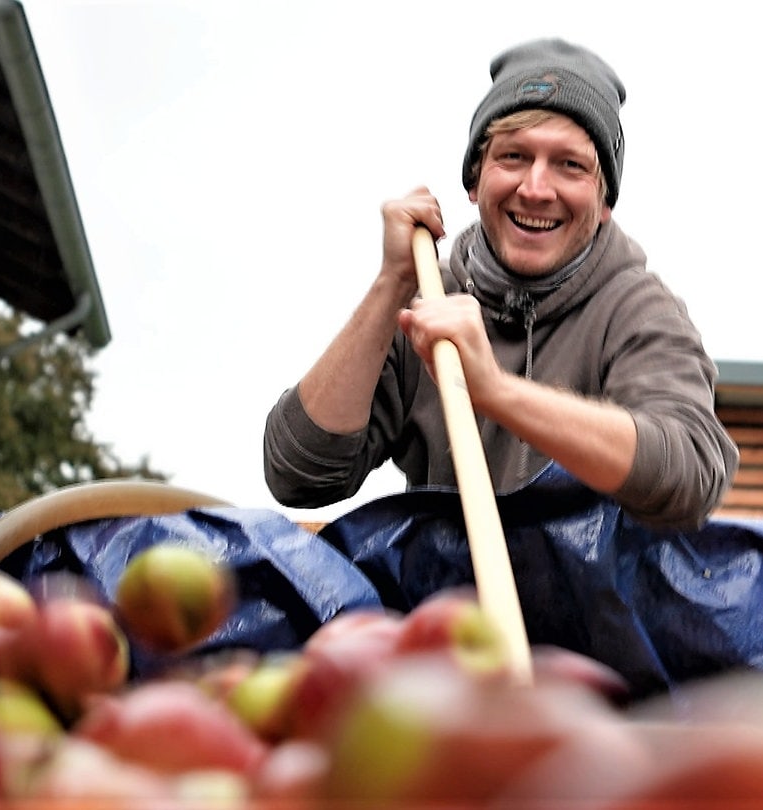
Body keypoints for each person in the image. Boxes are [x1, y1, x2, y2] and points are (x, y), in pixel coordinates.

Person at [263, 38, 737, 530]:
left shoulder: (639, 310)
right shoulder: (426, 302)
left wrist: (494, 392)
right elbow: (299, 476)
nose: (535, 189)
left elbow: (690, 474)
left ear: (604, 203)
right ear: (474, 181)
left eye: (570, 165)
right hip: (443, 605)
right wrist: (391, 284)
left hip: (589, 609)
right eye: (513, 156)